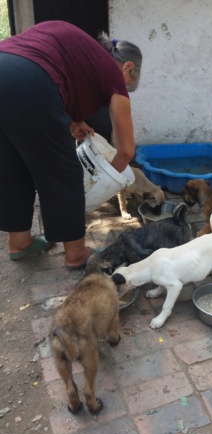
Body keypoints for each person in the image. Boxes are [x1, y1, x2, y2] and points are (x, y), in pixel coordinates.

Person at [0, 20, 142, 270]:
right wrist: (104, 179)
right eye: (128, 82)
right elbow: (126, 150)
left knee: (12, 164)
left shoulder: (85, 54)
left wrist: (75, 122)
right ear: (127, 66)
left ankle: (19, 242)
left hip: (7, 65)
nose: (125, 88)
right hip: (28, 80)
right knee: (63, 172)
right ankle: (77, 254)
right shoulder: (112, 74)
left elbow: (56, 80)